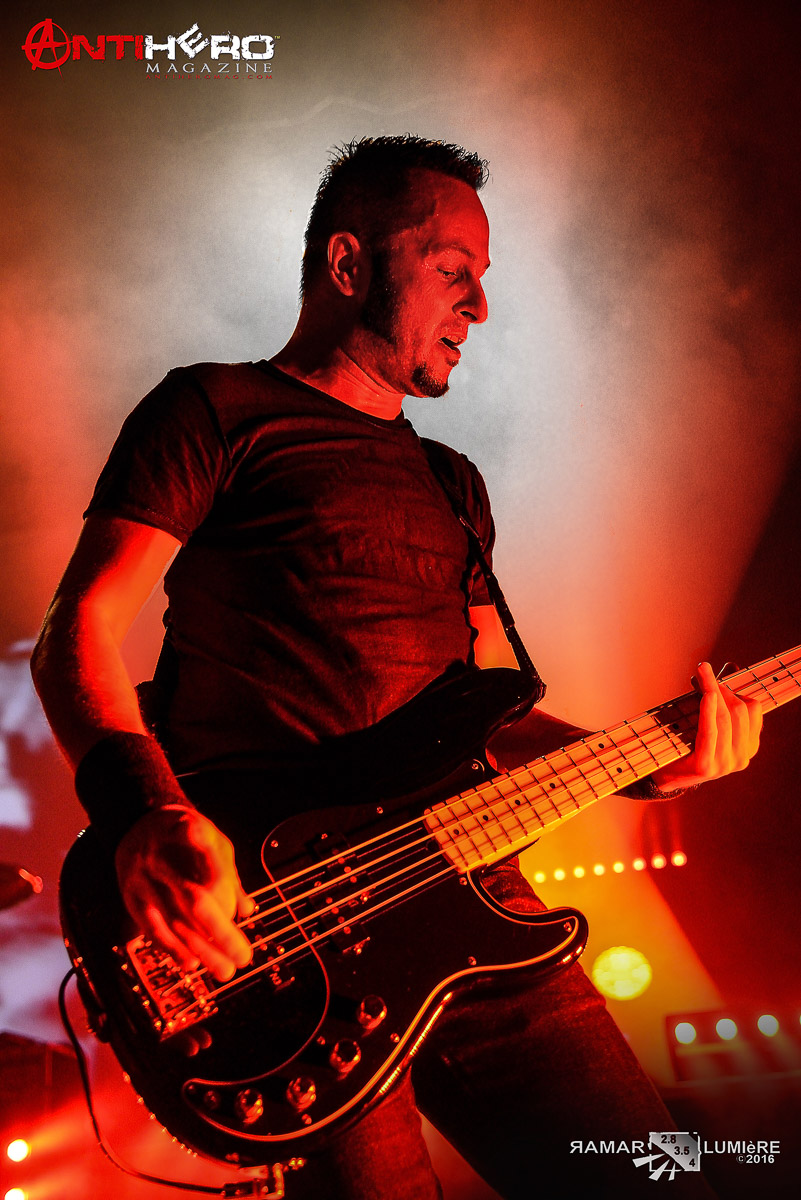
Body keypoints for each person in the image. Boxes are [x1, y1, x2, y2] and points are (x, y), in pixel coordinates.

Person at [32, 136, 762, 1199]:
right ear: (348, 264)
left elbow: (488, 718)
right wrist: (145, 812)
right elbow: (81, 627)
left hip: (479, 910)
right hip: (292, 935)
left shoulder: (452, 484)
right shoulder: (214, 412)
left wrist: (649, 764)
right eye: (451, 269)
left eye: (484, 278)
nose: (479, 307)